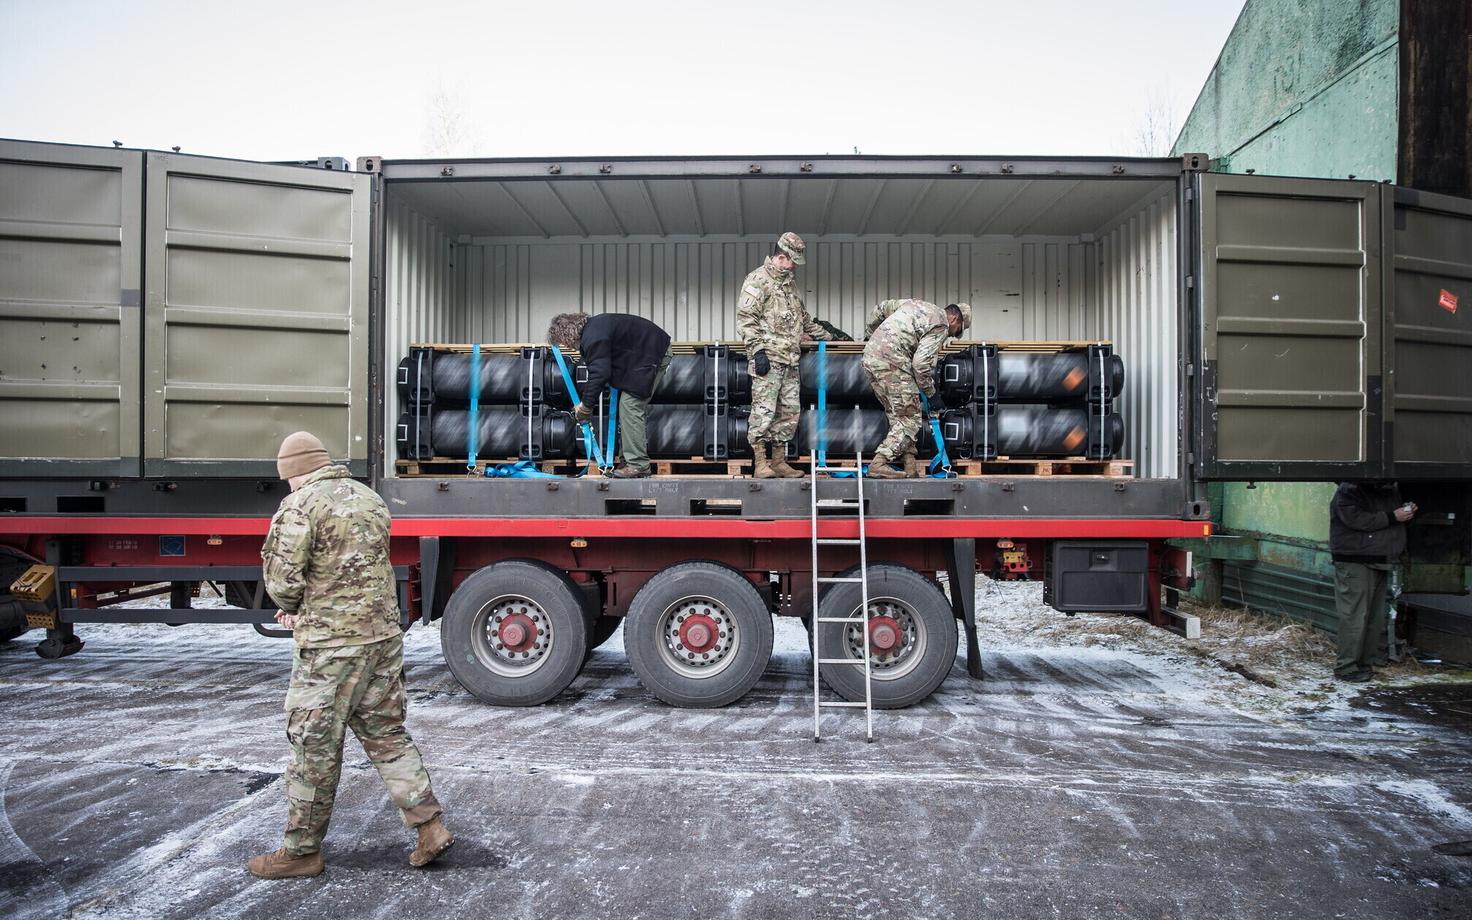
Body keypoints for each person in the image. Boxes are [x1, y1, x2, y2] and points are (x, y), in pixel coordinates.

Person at [249, 431, 452, 879]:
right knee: (386, 734)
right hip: (381, 639)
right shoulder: (368, 498)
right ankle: (430, 827)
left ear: (294, 471)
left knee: (314, 748)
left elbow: (283, 583)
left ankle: (301, 852)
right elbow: (354, 570)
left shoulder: (299, 506)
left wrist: (296, 607)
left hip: (331, 649)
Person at [736, 231, 833, 479]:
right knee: (764, 411)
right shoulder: (758, 280)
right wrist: (758, 352)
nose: (794, 267)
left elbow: (804, 320)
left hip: (790, 361)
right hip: (768, 360)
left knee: (789, 412)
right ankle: (760, 463)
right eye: (792, 262)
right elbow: (746, 320)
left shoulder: (790, 285)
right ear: (781, 257)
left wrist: (831, 337)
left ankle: (778, 461)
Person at [547, 312, 673, 479]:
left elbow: (600, 373)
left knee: (630, 405)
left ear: (567, 335)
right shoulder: (595, 330)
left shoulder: (593, 337)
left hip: (653, 353)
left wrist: (585, 407)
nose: (568, 347)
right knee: (627, 406)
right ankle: (628, 461)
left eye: (563, 342)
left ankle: (638, 465)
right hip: (644, 354)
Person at [861, 300, 971, 479]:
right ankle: (879, 463)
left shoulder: (914, 304)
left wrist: (872, 337)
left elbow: (880, 309)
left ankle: (910, 464)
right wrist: (932, 394)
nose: (953, 335)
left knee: (898, 415)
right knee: (910, 419)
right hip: (893, 362)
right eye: (957, 330)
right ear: (954, 319)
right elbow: (920, 365)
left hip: (871, 358)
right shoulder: (941, 324)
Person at [1329, 481, 1415, 682]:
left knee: (1373, 618)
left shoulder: (1385, 488)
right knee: (1355, 615)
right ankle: (1347, 667)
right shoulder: (1349, 488)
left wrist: (1405, 512)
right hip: (1356, 559)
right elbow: (1355, 518)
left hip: (1379, 557)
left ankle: (1362, 664)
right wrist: (1393, 516)